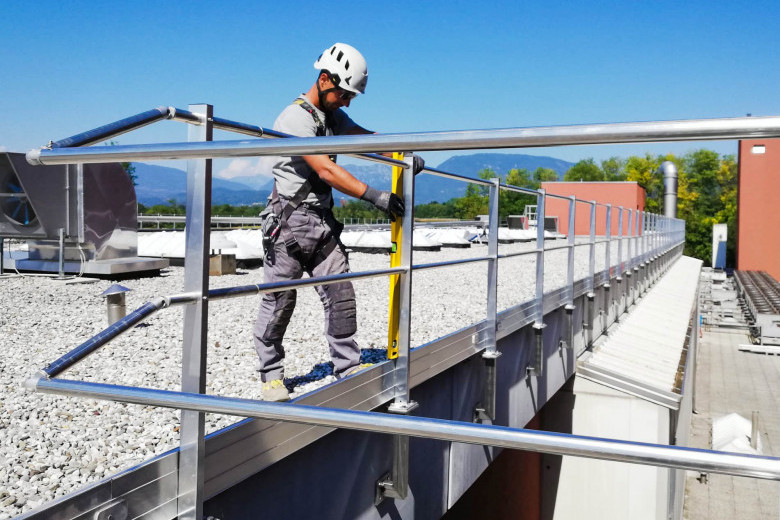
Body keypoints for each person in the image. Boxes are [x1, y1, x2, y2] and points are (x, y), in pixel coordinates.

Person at [254, 42, 425, 401]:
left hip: (321, 223)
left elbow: (367, 139)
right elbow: (325, 169)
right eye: (344, 94)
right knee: (279, 301)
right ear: (325, 79)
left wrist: (403, 152)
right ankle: (271, 375)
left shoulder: (332, 118)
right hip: (288, 223)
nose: (347, 102)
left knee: (341, 294)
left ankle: (347, 367)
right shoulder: (294, 118)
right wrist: (374, 195)